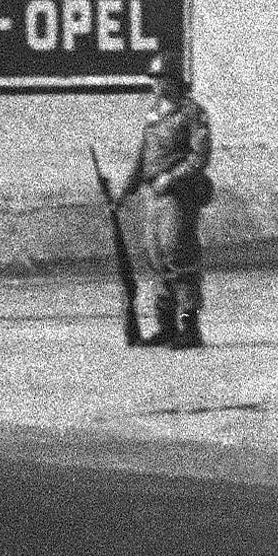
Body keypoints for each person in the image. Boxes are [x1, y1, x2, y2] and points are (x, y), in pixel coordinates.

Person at [121, 54, 215, 350]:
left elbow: (199, 157)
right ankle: (166, 325)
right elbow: (143, 155)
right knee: (155, 256)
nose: (156, 85)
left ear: (175, 80)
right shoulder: (154, 113)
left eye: (161, 79)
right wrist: (126, 190)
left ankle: (190, 326)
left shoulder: (192, 113)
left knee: (179, 253)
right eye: (154, 79)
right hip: (153, 194)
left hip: (178, 195)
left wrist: (171, 178)